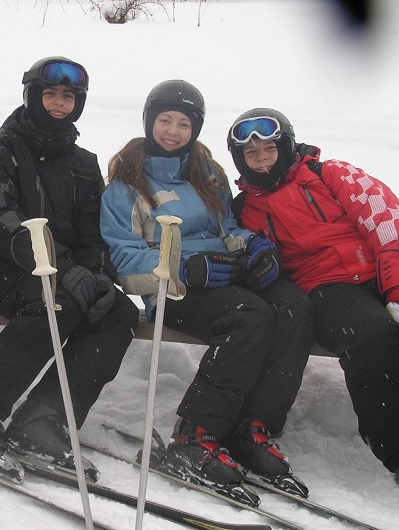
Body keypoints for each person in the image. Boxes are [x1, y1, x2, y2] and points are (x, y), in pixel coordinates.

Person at [100, 81, 313, 500]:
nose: (173, 131)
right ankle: (196, 434)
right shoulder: (125, 185)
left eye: (184, 123)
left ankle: (253, 425)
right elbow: (124, 261)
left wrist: (255, 246)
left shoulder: (206, 171)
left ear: (195, 128)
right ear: (149, 121)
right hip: (172, 289)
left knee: (294, 306)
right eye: (165, 120)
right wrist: (181, 270)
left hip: (222, 273)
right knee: (248, 316)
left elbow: (227, 227)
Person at [0, 56, 139, 475]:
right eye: (50, 94)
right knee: (57, 300)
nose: (58, 103)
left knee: (117, 311)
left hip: (62, 268)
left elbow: (92, 230)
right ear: (33, 97)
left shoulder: (83, 163)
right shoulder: (1, 147)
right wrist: (61, 268)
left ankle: (44, 418)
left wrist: (96, 274)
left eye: (68, 96)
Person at [228, 107, 399, 485]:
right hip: (327, 287)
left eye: (269, 149)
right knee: (372, 336)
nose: (261, 160)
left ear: (286, 146)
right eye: (250, 154)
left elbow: (385, 218)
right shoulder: (244, 209)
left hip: (378, 268)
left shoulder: (330, 174)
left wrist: (395, 286)